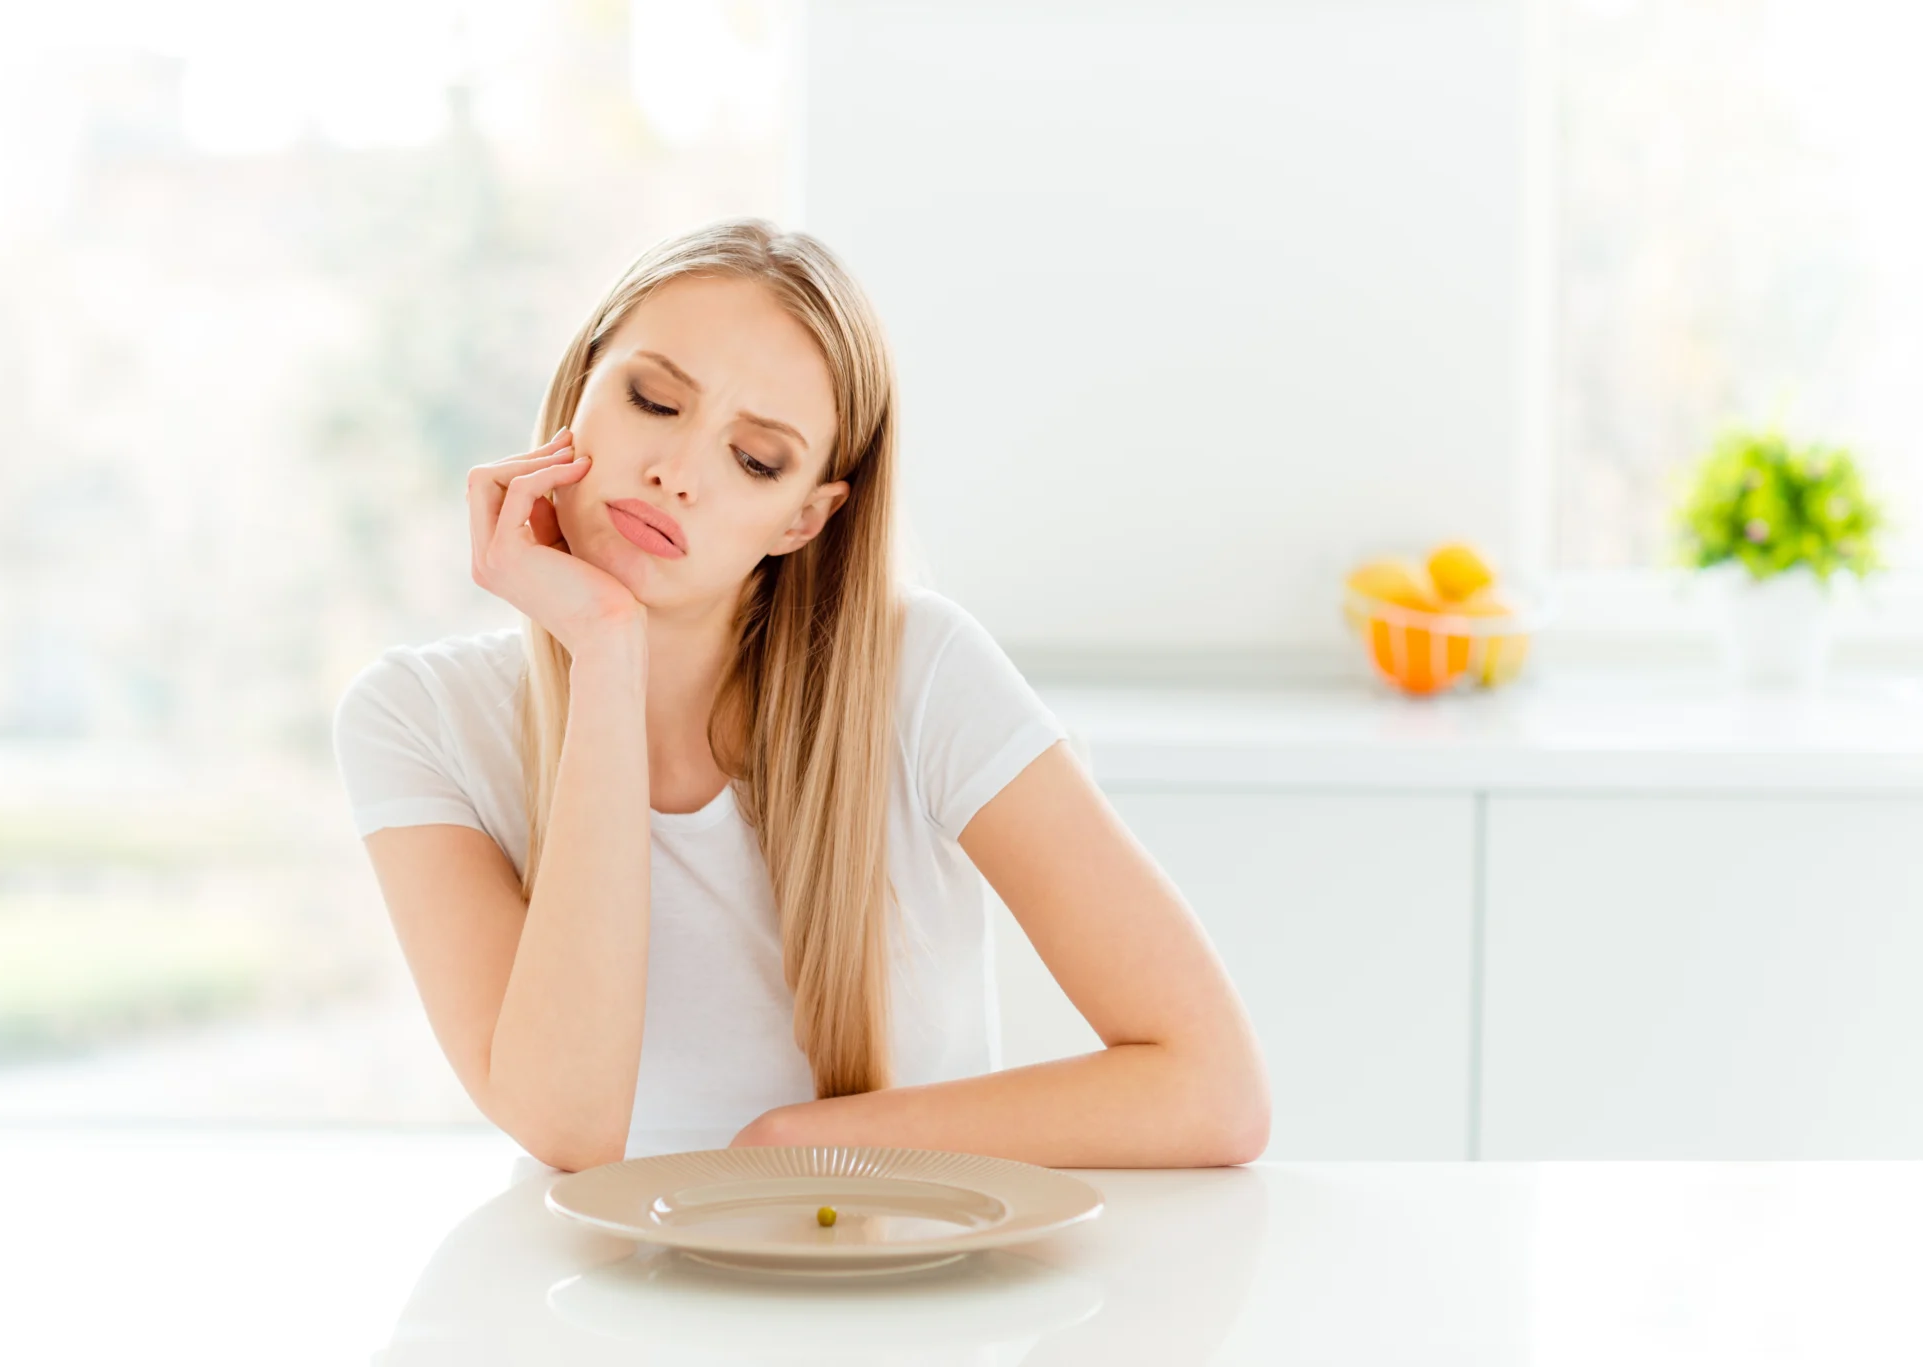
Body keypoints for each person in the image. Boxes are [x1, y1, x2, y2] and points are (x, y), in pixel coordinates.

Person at [330, 218, 1270, 1171]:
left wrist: (795, 1143)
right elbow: (570, 1126)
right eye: (653, 401)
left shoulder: (923, 675)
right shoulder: (417, 720)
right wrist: (609, 652)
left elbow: (1213, 1089)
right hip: (598, 1307)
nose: (676, 473)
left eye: (756, 460)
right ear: (579, 388)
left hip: (894, 1293)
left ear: (805, 517)